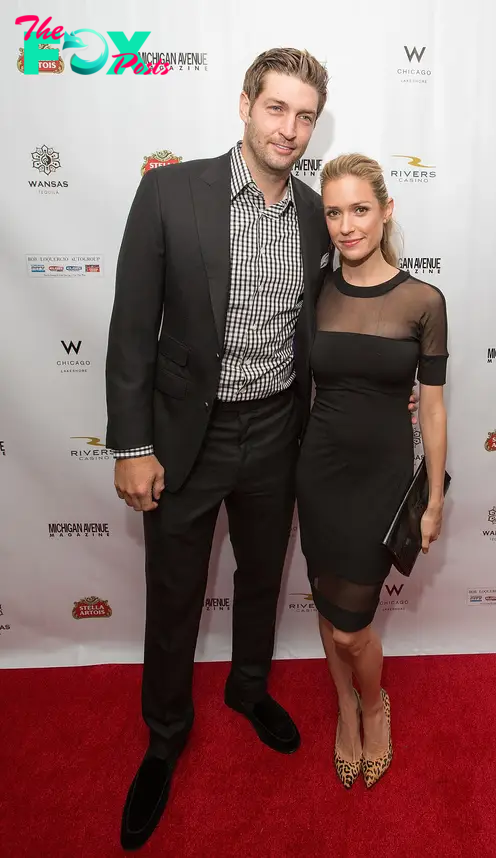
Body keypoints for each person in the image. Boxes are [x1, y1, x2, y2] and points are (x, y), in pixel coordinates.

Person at [106, 49, 419, 848]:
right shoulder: (171, 192)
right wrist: (132, 443)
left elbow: (354, 309)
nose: (290, 128)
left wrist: (397, 380)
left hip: (281, 430)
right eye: (277, 108)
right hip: (186, 437)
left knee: (262, 578)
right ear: (245, 105)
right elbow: (132, 329)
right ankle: (166, 737)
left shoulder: (320, 213)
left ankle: (249, 689)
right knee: (174, 595)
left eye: (305, 115)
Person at [296, 154, 448, 789]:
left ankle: (374, 705)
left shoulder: (423, 302)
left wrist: (433, 499)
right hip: (319, 473)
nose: (346, 225)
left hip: (383, 480)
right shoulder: (313, 291)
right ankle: (345, 712)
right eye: (334, 212)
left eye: (360, 209)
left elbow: (433, 406)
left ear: (387, 211)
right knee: (330, 618)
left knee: (353, 627)